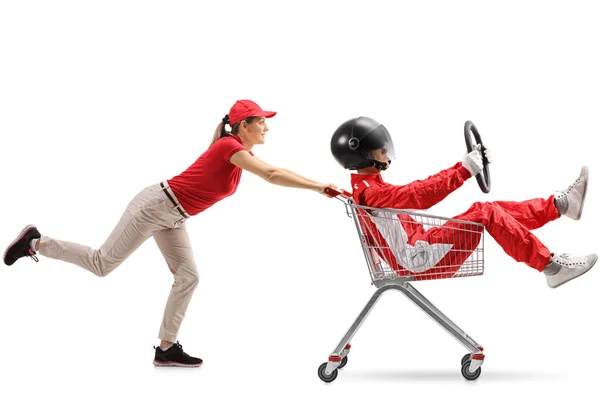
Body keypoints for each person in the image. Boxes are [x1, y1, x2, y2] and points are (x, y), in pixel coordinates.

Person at [4, 99, 337, 367]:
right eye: (261, 121)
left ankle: (166, 348)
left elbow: (273, 170)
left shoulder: (237, 150)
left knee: (188, 276)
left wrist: (318, 186)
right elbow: (273, 175)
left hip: (173, 216)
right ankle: (34, 241)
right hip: (154, 207)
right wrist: (319, 187)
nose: (267, 126)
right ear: (243, 126)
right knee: (101, 264)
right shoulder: (228, 147)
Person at [330, 116, 597, 287]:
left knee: (488, 211)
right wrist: (464, 170)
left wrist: (467, 167)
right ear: (361, 154)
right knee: (486, 213)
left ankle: (561, 206)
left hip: (421, 246)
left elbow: (414, 194)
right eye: (380, 147)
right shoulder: (369, 193)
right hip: (417, 259)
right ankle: (551, 266)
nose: (386, 151)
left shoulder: (369, 186)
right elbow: (417, 195)